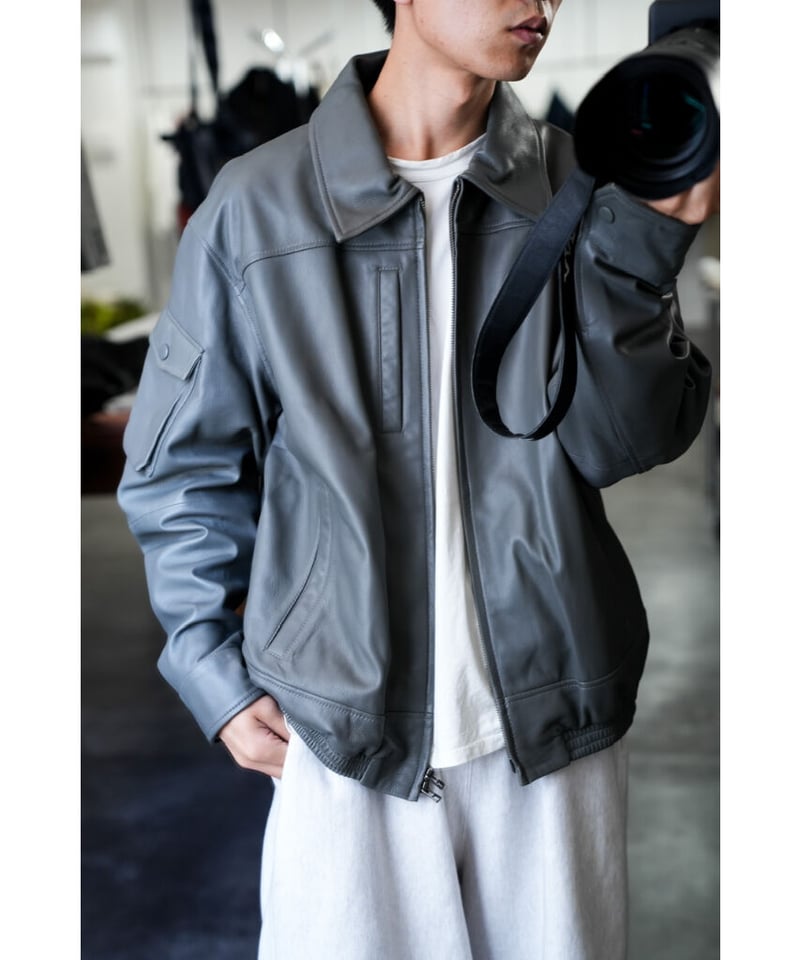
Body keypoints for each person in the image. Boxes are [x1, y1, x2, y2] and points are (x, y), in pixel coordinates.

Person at [118, 1, 719, 957]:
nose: (540, 1)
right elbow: (184, 464)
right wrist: (210, 670)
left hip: (552, 728)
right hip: (338, 735)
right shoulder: (258, 203)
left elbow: (624, 443)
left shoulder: (586, 183)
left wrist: (645, 243)